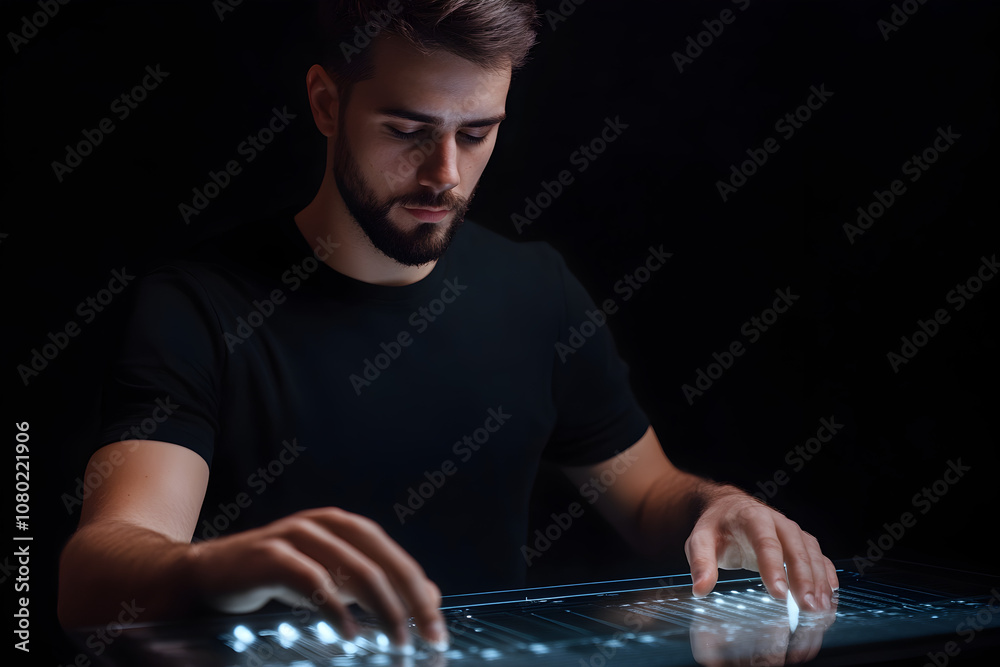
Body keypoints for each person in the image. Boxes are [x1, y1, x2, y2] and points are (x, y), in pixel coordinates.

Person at [57, 0, 838, 652]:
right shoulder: (197, 304)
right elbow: (90, 577)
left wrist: (716, 508)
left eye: (476, 133)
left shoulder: (538, 292)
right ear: (328, 104)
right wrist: (220, 568)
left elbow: (646, 501)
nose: (445, 175)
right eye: (407, 130)